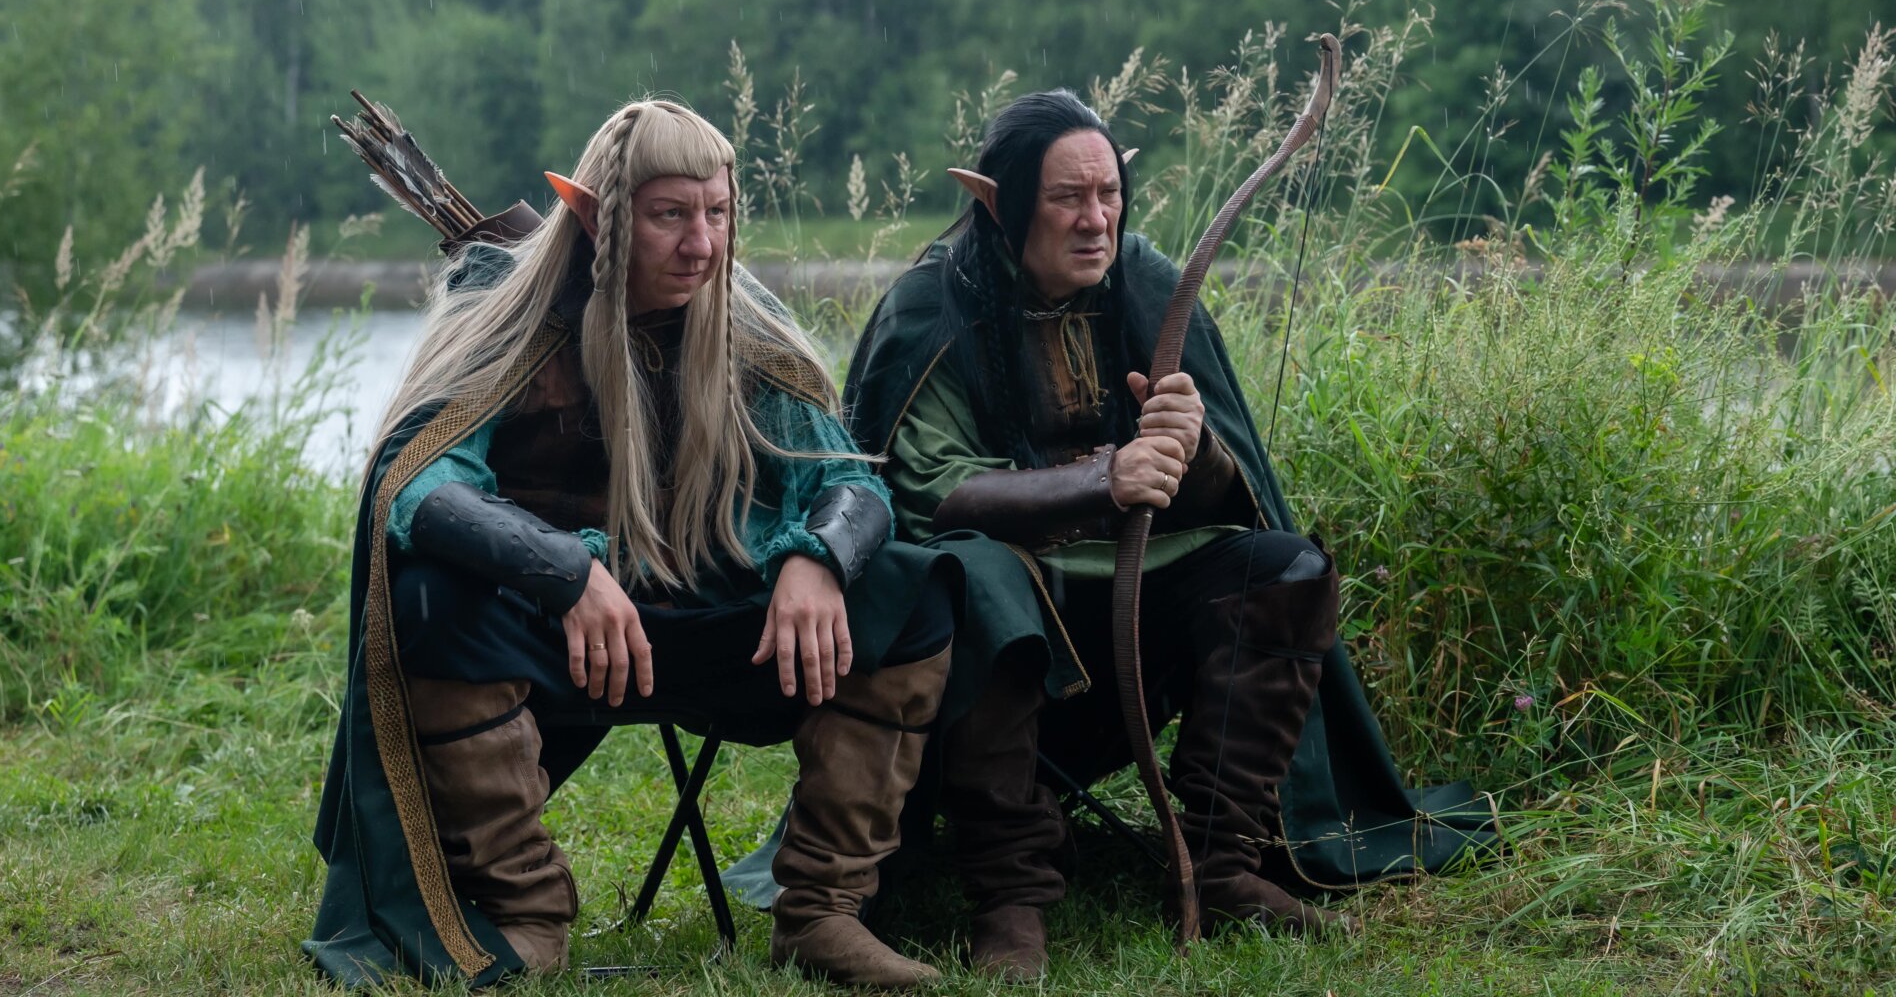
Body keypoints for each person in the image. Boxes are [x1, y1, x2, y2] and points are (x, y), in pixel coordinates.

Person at [305, 99, 954, 990]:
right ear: (593, 215)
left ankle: (821, 913)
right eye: (669, 215)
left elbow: (847, 479)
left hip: (716, 622)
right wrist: (566, 571)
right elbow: (418, 482)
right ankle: (525, 913)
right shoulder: (507, 314)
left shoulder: (743, 322)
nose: (702, 244)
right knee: (429, 600)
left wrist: (817, 558)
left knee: (910, 592)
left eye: (717, 212)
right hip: (563, 638)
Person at [843, 89, 1493, 979]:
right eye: (1067, 198)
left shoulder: (1146, 284)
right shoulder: (933, 306)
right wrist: (1101, 480)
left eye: (1108, 194)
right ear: (999, 203)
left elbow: (1228, 494)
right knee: (981, 576)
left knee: (1283, 572)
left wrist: (1196, 449)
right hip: (997, 634)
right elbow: (932, 494)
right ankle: (1011, 892)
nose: (1095, 220)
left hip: (1140, 607)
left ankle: (1221, 862)